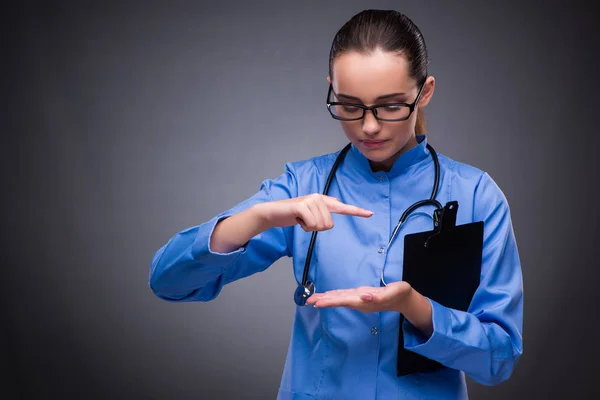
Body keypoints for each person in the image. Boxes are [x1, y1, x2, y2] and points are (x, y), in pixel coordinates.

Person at [149, 9, 523, 399]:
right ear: (332, 89)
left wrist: (416, 308)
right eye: (349, 105)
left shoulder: (477, 195)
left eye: (391, 106)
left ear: (424, 92)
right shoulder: (302, 186)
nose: (369, 126)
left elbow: (499, 358)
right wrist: (256, 218)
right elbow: (168, 282)